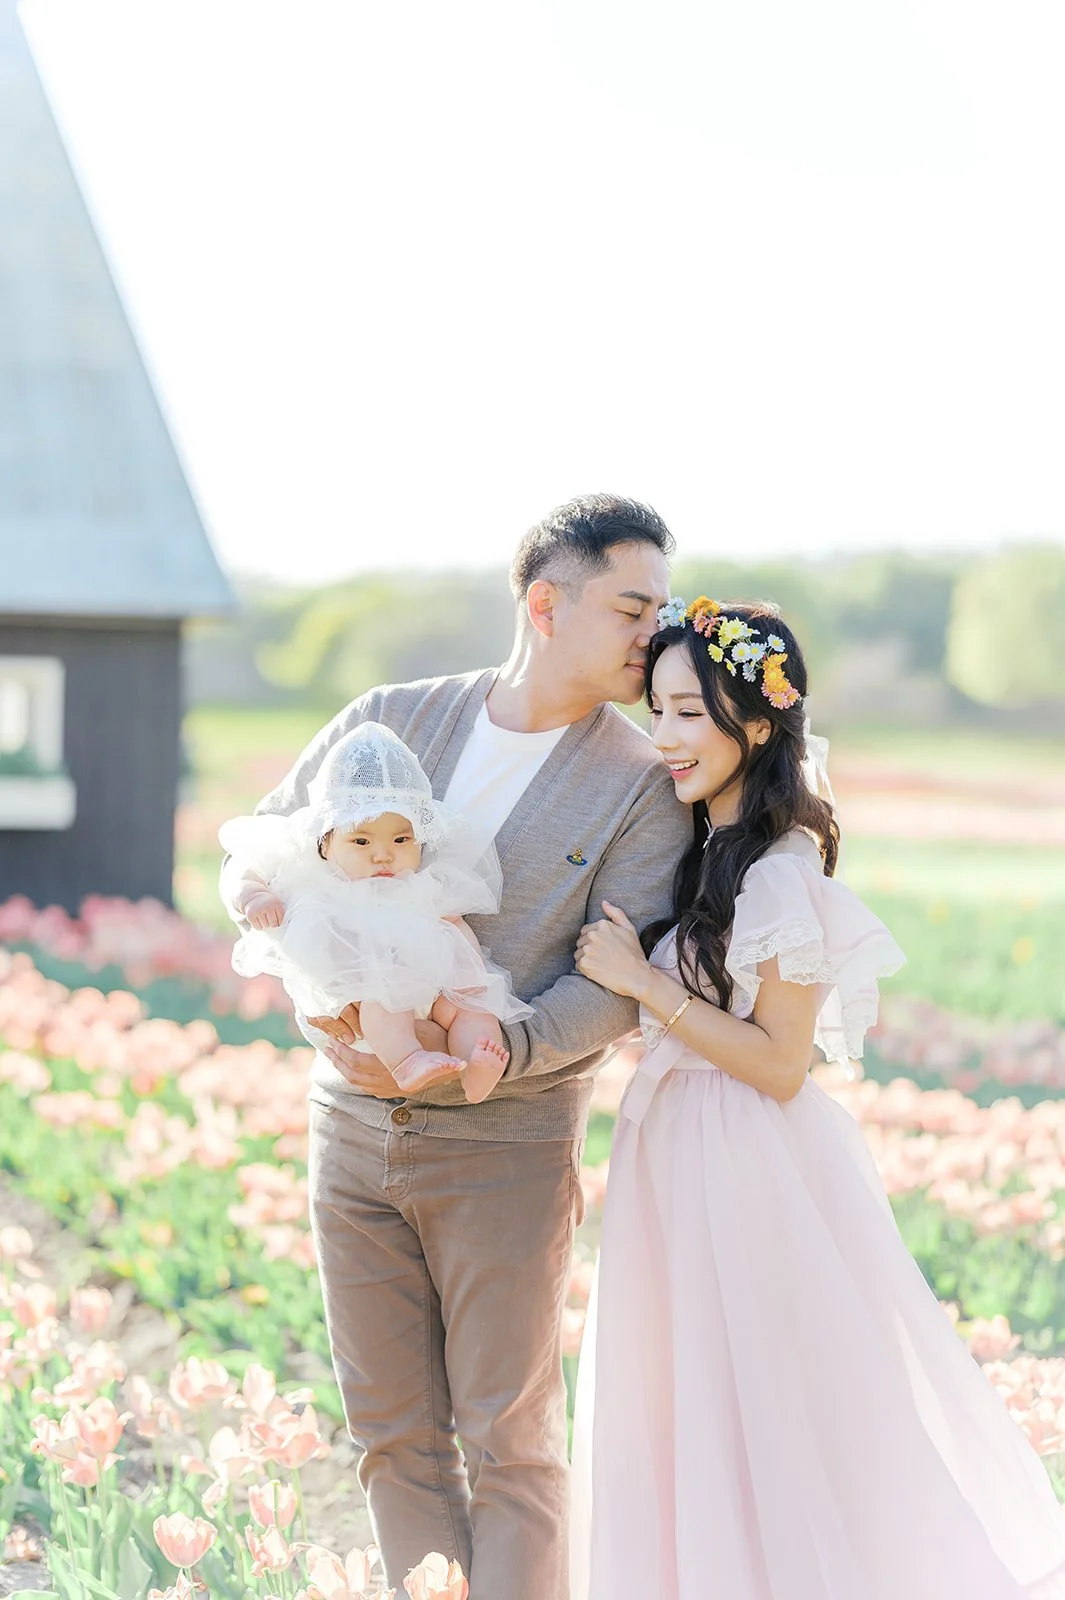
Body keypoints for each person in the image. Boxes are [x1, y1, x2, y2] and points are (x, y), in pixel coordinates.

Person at [222, 495, 691, 1599]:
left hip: (508, 1143)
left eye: (660, 608)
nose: (653, 632)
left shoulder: (638, 784)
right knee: (389, 1434)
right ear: (545, 601)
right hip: (349, 1127)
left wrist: (499, 1052)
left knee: (509, 1438)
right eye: (633, 606)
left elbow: (612, 989)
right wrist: (331, 1021)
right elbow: (267, 872)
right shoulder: (392, 717)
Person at [570, 595, 1065, 1600]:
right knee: (685, 1405)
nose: (665, 737)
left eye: (689, 714)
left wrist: (643, 982)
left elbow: (781, 1060)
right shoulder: (706, 842)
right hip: (679, 1153)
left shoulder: (780, 867)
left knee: (766, 1414)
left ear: (756, 722)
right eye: (655, 711)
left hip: (745, 1160)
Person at [219, 721, 531, 1103]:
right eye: (361, 840)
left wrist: (471, 981)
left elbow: (452, 923)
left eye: (401, 840)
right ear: (325, 844)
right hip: (375, 986)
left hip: (438, 986)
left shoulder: (423, 883)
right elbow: (246, 865)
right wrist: (253, 897)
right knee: (385, 1002)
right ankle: (408, 1060)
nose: (383, 854)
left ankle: (477, 1067)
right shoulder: (316, 879)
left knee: (470, 1012)